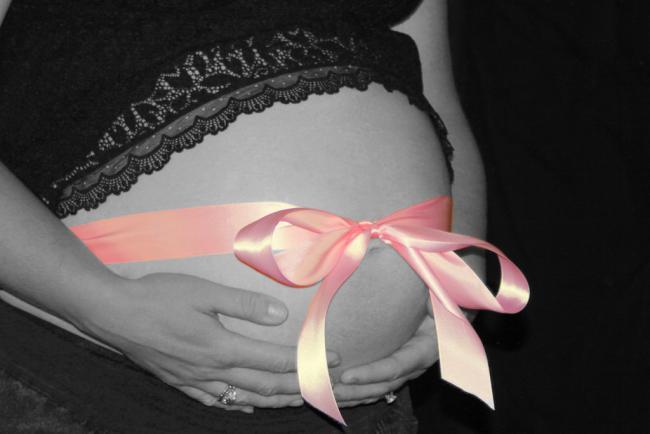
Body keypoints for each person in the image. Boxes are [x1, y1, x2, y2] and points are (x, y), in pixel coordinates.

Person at [0, 0, 487, 432]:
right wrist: (101, 306)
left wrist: (459, 275)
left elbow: (434, 94)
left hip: (365, 405)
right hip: (89, 380)